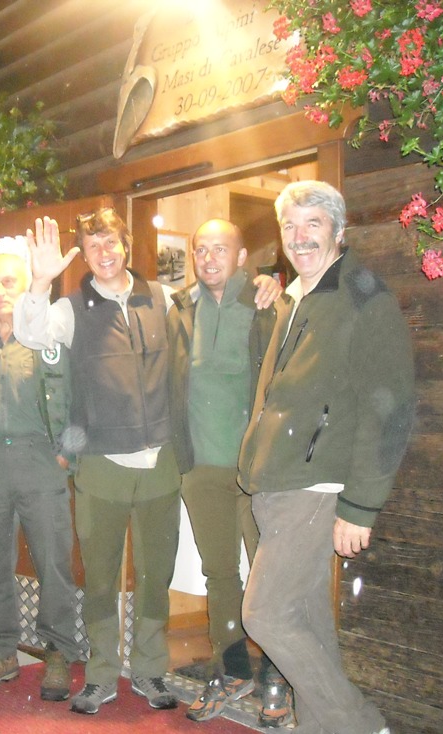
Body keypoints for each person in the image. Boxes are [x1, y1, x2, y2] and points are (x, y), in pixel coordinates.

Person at [238, 181, 414, 734]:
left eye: (313, 223)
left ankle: (363, 726)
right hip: (277, 483)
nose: (300, 237)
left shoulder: (363, 296)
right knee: (309, 623)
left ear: (338, 230)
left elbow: (391, 405)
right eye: (290, 226)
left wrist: (360, 506)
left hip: (315, 488)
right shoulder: (296, 298)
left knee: (264, 613)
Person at [14, 209, 181, 715]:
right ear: (83, 256)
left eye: (110, 242)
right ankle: (103, 674)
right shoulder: (71, 308)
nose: (104, 253)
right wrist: (40, 282)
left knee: (155, 575)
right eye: (93, 247)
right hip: (102, 463)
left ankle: (150, 669)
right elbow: (30, 334)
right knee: (102, 577)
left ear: (125, 244)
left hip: (161, 460)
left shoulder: (163, 297)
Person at [167, 219, 293, 726]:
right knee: (219, 573)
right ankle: (233, 667)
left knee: (269, 574)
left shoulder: (267, 306)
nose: (209, 258)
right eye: (201, 249)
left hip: (257, 472)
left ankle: (279, 677)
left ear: (242, 257)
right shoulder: (181, 308)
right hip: (200, 468)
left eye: (221, 249)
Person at [0, 253, 84, 701]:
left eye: (9, 281)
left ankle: (58, 653)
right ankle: (1, 652)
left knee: (54, 565)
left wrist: (68, 454)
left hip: (40, 462)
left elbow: (78, 394)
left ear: (26, 286)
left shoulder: (48, 332)